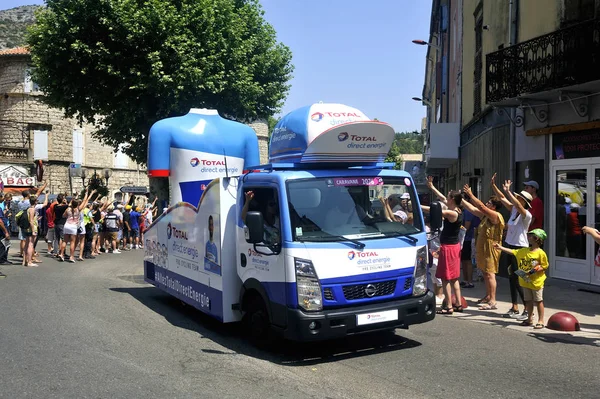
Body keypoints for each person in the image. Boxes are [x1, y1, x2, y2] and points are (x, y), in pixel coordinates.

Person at [491, 174, 533, 320]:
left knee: (520, 278)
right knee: (511, 277)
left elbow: (519, 205)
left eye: (519, 198)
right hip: (509, 246)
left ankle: (528, 309)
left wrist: (509, 192)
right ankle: (514, 306)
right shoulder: (514, 210)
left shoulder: (526, 214)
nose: (516, 200)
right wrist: (494, 186)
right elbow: (502, 198)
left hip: (520, 249)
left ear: (524, 201)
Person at [421, 185, 464, 315]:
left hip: (449, 247)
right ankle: (458, 304)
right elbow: (442, 198)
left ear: (452, 199)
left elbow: (435, 211)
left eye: (448, 195)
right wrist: (432, 187)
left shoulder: (452, 213)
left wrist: (418, 205)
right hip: (453, 246)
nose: (446, 197)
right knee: (454, 278)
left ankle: (448, 306)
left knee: (446, 278)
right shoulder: (456, 209)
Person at [494, 229, 549, 329]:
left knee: (538, 300)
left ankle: (541, 320)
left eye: (530, 236)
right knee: (528, 300)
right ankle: (529, 319)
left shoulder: (541, 253)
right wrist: (500, 248)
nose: (528, 237)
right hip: (525, 280)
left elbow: (544, 266)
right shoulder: (524, 251)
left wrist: (536, 269)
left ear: (537, 239)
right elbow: (513, 252)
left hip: (536, 282)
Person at [462, 184, 505, 310]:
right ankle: (487, 296)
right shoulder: (485, 216)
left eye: (489, 202)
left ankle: (493, 300)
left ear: (494, 206)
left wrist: (470, 194)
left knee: (490, 274)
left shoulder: (495, 216)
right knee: (485, 273)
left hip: (491, 248)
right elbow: (472, 209)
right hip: (484, 248)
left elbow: (479, 206)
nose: (486, 204)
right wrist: (461, 199)